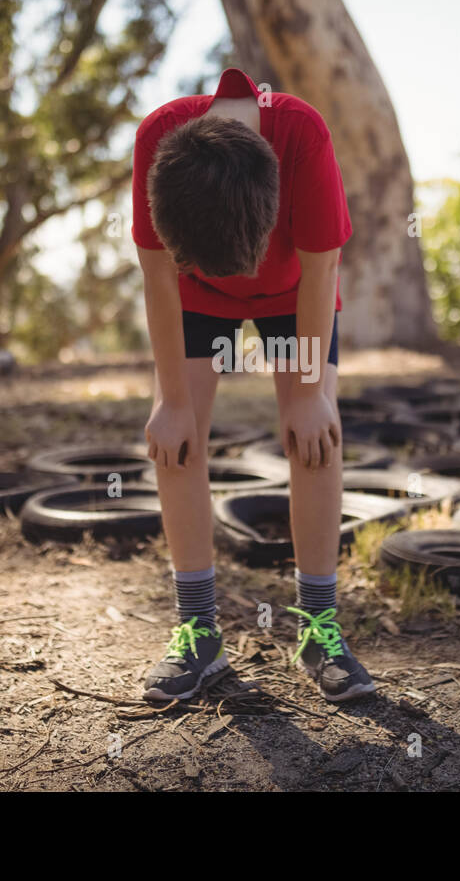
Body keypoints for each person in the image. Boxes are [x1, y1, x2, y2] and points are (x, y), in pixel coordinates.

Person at [130, 67, 374, 703]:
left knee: (314, 435)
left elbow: (323, 270)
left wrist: (311, 394)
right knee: (176, 439)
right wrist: (171, 401)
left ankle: (319, 627)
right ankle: (198, 630)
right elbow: (159, 276)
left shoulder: (303, 135)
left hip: (295, 293)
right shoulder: (159, 140)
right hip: (196, 295)